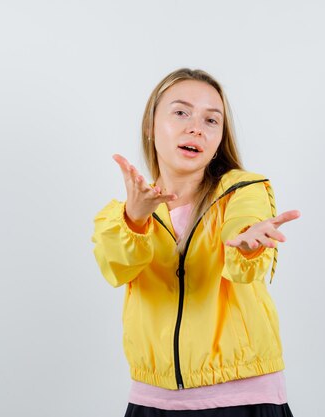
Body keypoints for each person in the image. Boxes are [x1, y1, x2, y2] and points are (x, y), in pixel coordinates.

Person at [91, 68, 301, 417]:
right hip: (152, 401)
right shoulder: (117, 218)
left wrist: (250, 246)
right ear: (150, 125)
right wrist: (136, 218)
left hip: (243, 397)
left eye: (211, 120)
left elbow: (243, 246)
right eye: (181, 112)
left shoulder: (243, 190)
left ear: (220, 138)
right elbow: (115, 267)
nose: (196, 127)